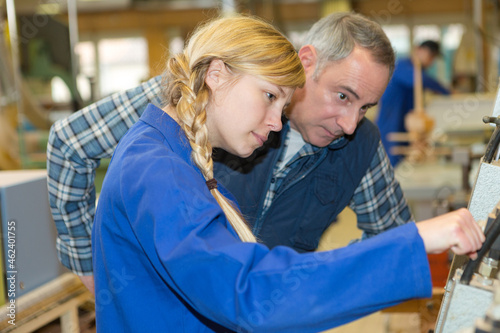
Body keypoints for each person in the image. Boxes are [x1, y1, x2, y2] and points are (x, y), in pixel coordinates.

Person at [91, 15, 483, 332]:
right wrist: (414, 241)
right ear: (216, 74)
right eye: (269, 96)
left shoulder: (178, 153)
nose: (278, 124)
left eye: (283, 103)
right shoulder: (158, 171)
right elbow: (250, 293)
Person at [375, 40, 451, 166]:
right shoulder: (403, 66)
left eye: (433, 58)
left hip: (405, 125)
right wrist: (446, 91)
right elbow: (418, 79)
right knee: (390, 160)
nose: (431, 61)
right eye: (430, 56)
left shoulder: (419, 72)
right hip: (391, 122)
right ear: (418, 50)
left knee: (403, 159)